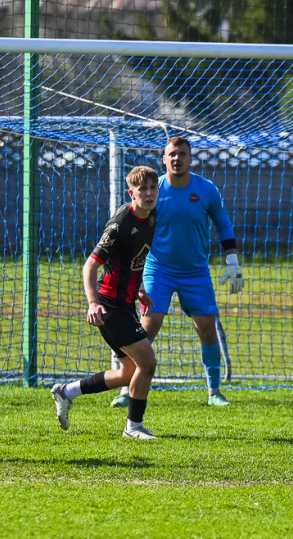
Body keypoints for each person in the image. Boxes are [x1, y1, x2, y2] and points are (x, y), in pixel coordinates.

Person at [113, 136, 243, 408]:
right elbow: (133, 226)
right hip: (158, 269)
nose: (177, 158)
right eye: (172, 154)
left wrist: (233, 262)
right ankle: (127, 388)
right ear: (163, 159)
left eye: (182, 154)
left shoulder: (206, 190)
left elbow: (224, 225)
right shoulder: (153, 189)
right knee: (147, 327)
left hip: (196, 272)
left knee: (207, 330)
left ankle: (214, 392)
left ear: (190, 158)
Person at [51, 166, 161, 439]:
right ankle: (133, 428)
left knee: (128, 372)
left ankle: (66, 392)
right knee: (147, 364)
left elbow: (134, 261)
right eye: (142, 190)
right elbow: (90, 265)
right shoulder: (121, 223)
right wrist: (92, 303)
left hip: (125, 303)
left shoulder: (151, 216)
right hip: (109, 306)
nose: (148, 194)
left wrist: (141, 290)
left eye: (152, 188)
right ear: (131, 193)